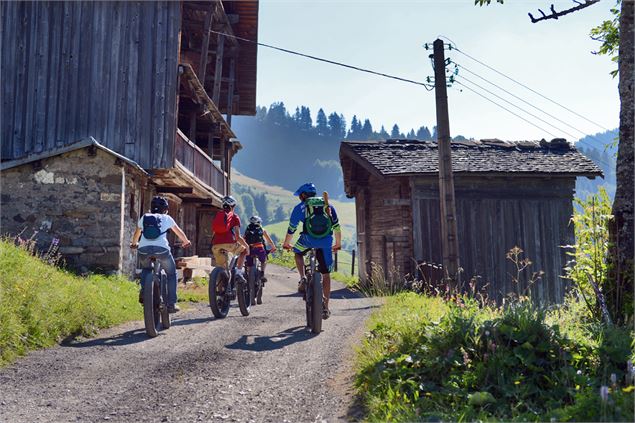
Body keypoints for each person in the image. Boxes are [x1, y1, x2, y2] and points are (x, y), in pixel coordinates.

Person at [282, 183, 341, 319]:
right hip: (326, 242)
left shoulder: (300, 208)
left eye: (299, 195)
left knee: (297, 253)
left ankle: (303, 277)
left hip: (307, 240)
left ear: (303, 195)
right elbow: (337, 227)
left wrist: (286, 243)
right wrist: (337, 244)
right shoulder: (328, 205)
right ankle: (325, 307)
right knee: (326, 274)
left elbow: (292, 229)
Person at [130, 196, 191, 313]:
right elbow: (179, 232)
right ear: (165, 209)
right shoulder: (167, 218)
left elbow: (136, 233)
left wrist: (134, 244)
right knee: (171, 274)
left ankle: (144, 291)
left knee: (146, 269)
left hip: (143, 249)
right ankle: (172, 303)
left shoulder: (144, 217)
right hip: (162, 250)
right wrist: (186, 241)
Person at [211, 195, 250, 287]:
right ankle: (239, 273)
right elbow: (237, 237)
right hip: (230, 244)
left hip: (216, 245)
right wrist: (247, 246)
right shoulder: (235, 217)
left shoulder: (218, 216)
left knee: (221, 267)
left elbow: (213, 233)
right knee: (243, 250)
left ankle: (220, 294)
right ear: (233, 206)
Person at [244, 215, 277, 304]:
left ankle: (248, 275)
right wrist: (273, 247)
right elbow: (269, 240)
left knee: (249, 265)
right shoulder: (262, 229)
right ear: (259, 222)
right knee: (264, 259)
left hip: (250, 249)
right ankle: (262, 273)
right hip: (259, 248)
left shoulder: (248, 229)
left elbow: (244, 239)